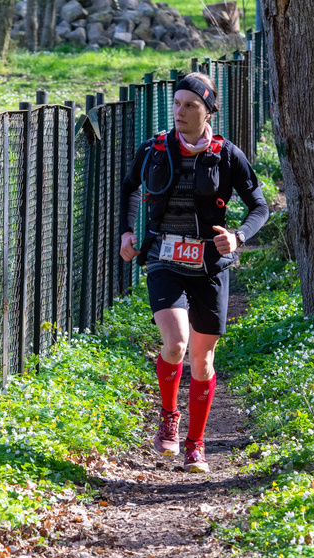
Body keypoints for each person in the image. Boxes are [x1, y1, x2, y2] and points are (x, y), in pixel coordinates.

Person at [119, 72, 268, 473]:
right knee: (175, 344)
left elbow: (260, 207)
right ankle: (169, 416)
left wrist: (237, 237)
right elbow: (130, 186)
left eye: (191, 106)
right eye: (178, 103)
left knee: (202, 362)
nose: (181, 112)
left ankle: (195, 446)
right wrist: (128, 231)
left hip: (210, 267)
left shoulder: (227, 155)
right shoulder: (155, 149)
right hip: (165, 258)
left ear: (207, 112)